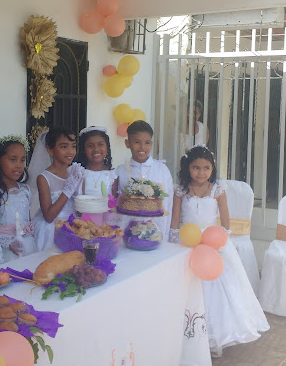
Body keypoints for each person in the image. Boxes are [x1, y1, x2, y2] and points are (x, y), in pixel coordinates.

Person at [170, 145, 268, 357]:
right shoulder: (180, 191)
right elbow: (175, 221)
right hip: (187, 242)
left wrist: (218, 242)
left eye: (206, 168)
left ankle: (214, 334)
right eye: (196, 167)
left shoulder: (218, 190)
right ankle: (187, 332)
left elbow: (225, 222)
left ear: (212, 169)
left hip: (213, 244)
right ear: (187, 168)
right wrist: (175, 241)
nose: (201, 173)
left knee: (217, 290)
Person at [0, 135, 37, 262]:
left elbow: (27, 219)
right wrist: (6, 243)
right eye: (13, 160)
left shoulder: (26, 190)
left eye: (22, 160)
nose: (19, 165)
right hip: (4, 249)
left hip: (26, 245)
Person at [115, 120, 174, 240]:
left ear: (151, 144)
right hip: (128, 233)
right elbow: (119, 204)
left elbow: (168, 203)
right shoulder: (120, 171)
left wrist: (164, 235)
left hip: (156, 233)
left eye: (147, 143)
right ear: (127, 143)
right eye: (137, 142)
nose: (142, 147)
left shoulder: (162, 169)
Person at [28, 127, 83, 250]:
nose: (70, 151)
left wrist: (78, 191)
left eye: (73, 146)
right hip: (51, 230)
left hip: (72, 226)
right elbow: (49, 216)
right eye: (64, 147)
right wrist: (68, 191)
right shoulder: (44, 178)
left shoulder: (75, 173)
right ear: (50, 149)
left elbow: (80, 212)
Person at [75, 126, 118, 197]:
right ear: (84, 150)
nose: (96, 149)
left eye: (100, 144)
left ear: (107, 148)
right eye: (90, 146)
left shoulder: (113, 174)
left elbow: (114, 201)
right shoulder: (80, 173)